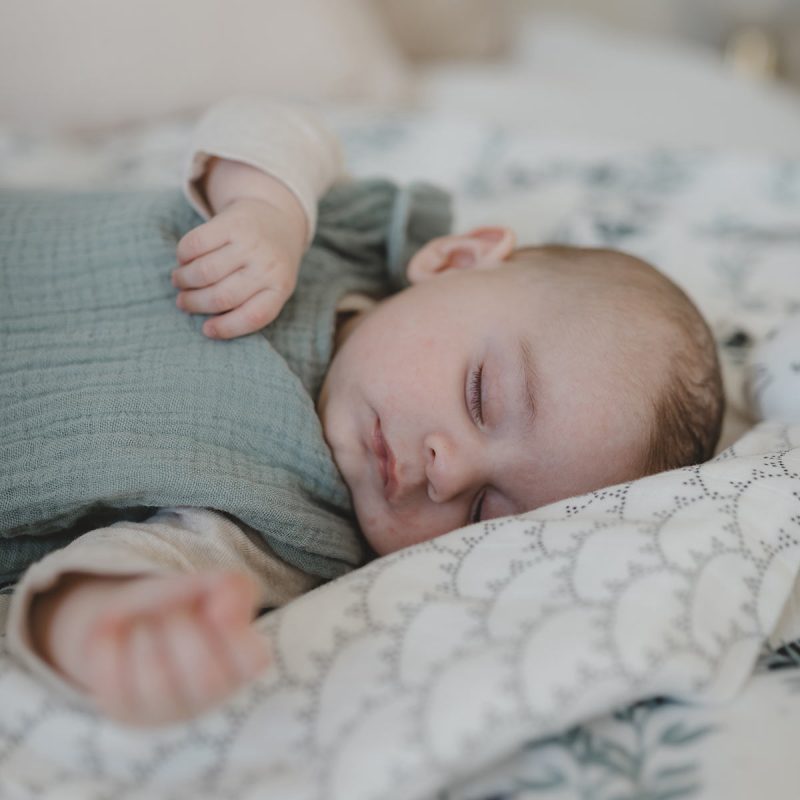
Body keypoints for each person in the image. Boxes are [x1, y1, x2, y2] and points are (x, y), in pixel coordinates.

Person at [1, 99, 724, 727]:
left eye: (479, 513)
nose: (448, 470)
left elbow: (129, 567)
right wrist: (267, 211)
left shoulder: (287, 532)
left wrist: (116, 625)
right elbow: (267, 125)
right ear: (455, 260)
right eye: (480, 395)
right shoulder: (335, 240)